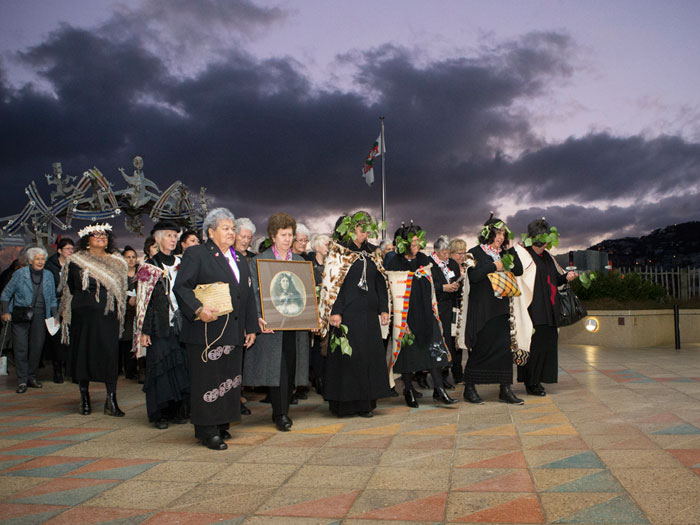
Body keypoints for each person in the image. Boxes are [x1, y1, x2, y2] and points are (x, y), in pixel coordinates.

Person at [173, 208, 257, 449]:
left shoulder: (239, 258)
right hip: (205, 332)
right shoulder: (197, 254)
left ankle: (221, 424)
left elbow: (247, 296)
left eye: (233, 228)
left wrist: (250, 326)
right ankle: (207, 430)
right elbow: (182, 287)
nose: (232, 232)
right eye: (226, 228)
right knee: (208, 380)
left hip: (233, 330)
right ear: (211, 232)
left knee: (229, 379)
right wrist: (198, 309)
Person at [320, 212, 392, 417]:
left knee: (367, 359)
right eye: (361, 230)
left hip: (369, 316)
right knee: (348, 359)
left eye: (367, 230)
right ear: (351, 229)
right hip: (347, 315)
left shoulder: (373, 252)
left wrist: (384, 308)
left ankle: (365, 404)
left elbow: (380, 282)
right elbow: (333, 284)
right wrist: (335, 312)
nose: (365, 234)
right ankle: (344, 404)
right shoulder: (339, 252)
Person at [245, 213, 310, 432]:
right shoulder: (259, 261)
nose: (287, 239)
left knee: (290, 368)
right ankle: (280, 413)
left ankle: (282, 410)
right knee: (276, 369)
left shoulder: (300, 261)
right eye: (283, 235)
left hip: (295, 326)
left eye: (290, 235)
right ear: (273, 236)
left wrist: (311, 316)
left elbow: (306, 294)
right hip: (272, 326)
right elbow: (253, 293)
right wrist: (258, 317)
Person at [58, 223, 128, 416]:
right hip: (84, 317)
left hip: (109, 316)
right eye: (95, 234)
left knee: (109, 354)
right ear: (86, 240)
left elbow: (122, 289)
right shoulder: (76, 261)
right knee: (83, 354)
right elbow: (72, 287)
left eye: (104, 234)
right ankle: (85, 399)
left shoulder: (118, 261)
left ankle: (111, 400)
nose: (100, 236)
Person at [386, 222, 457, 407]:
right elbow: (394, 294)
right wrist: (402, 321)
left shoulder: (424, 260)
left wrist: (433, 313)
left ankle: (439, 390)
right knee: (409, 355)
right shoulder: (395, 263)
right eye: (414, 242)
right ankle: (408, 390)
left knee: (434, 351)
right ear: (404, 243)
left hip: (426, 313)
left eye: (419, 241)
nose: (418, 245)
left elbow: (431, 287)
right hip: (407, 317)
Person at [134, 222, 190, 429]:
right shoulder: (148, 266)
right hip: (160, 325)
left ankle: (179, 411)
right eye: (168, 236)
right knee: (161, 368)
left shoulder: (183, 263)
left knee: (181, 366)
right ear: (158, 239)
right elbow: (143, 302)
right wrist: (144, 330)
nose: (173, 239)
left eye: (175, 235)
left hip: (183, 324)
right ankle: (160, 414)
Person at [464, 215, 524, 405]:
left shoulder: (505, 254)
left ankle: (505, 389)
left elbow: (519, 270)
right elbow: (474, 276)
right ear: (488, 233)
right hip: (482, 309)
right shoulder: (473, 253)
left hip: (501, 309)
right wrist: (494, 266)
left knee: (504, 350)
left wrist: (510, 249)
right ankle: (469, 387)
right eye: (497, 233)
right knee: (481, 348)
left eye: (503, 233)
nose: (500, 237)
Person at [517, 218, 577, 396]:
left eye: (544, 243)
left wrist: (566, 277)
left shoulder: (548, 257)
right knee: (534, 347)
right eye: (540, 243)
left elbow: (552, 280)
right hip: (533, 309)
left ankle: (539, 379)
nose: (543, 246)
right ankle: (531, 382)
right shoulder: (524, 255)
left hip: (550, 308)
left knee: (548, 345)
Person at [1, 247, 57, 393]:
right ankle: (21, 380)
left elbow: (52, 299)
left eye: (43, 259)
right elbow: (6, 294)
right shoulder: (20, 274)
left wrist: (55, 315)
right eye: (37, 259)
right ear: (31, 260)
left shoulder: (49, 275)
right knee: (21, 348)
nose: (40, 262)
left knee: (37, 347)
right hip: (21, 315)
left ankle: (31, 376)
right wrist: (6, 311)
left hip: (40, 315)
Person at [430, 235, 461, 388]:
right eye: (443, 252)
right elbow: (427, 284)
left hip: (449, 307)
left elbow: (457, 278)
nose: (446, 255)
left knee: (448, 341)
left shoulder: (453, 264)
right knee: (437, 341)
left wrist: (455, 286)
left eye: (448, 252)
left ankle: (444, 376)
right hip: (435, 308)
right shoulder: (429, 264)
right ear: (436, 251)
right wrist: (442, 287)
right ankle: (435, 378)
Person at [45, 238, 74, 383]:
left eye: (72, 249)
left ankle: (71, 370)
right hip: (55, 305)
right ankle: (57, 371)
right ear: (59, 251)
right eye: (68, 249)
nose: (70, 251)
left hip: (71, 304)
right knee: (57, 340)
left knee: (72, 337)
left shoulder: (75, 265)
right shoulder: (50, 266)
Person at [119, 246, 139, 380]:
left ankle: (132, 370)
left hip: (137, 313)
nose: (131, 260)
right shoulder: (119, 274)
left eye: (133, 257)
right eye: (128, 257)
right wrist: (127, 300)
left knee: (134, 341)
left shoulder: (140, 273)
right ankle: (121, 368)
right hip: (123, 312)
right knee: (123, 341)